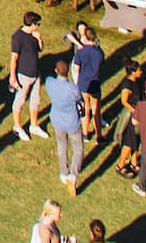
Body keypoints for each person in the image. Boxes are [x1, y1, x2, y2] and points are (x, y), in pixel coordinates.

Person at [43, 58, 84, 193]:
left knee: (62, 146)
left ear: (56, 71)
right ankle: (73, 174)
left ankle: (63, 172)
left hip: (57, 120)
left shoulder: (50, 83)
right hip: (72, 121)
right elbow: (79, 99)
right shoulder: (73, 88)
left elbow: (48, 78)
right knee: (78, 148)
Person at [7, 13, 44, 142]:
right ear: (32, 24)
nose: (39, 26)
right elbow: (14, 58)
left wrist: (39, 39)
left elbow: (41, 49)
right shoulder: (18, 37)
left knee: (36, 100)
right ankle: (17, 126)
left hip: (36, 73)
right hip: (24, 75)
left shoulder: (34, 35)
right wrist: (13, 77)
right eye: (38, 24)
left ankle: (34, 125)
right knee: (20, 100)